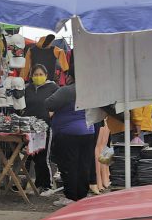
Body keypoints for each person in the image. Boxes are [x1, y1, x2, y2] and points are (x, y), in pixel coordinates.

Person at [45, 67, 95, 205]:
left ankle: (71, 197)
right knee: (84, 165)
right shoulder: (90, 90)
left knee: (69, 165)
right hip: (88, 131)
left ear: (71, 77)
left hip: (68, 133)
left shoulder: (67, 90)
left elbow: (49, 104)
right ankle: (82, 195)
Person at [17, 64, 58, 192]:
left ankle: (45, 185)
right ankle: (20, 183)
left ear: (46, 75)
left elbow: (59, 103)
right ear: (31, 76)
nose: (38, 77)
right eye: (35, 74)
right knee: (27, 157)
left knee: (42, 157)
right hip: (28, 128)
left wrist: (52, 113)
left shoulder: (53, 87)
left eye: (41, 74)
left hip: (44, 128)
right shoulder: (27, 88)